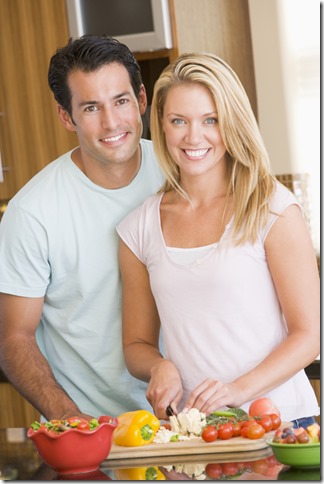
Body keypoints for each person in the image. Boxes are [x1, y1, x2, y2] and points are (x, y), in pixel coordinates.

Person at [117, 53, 320, 426]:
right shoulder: (138, 228)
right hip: (196, 428)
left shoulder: (272, 208)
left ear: (232, 123)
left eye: (210, 120)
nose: (194, 137)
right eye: (179, 120)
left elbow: (310, 335)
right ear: (161, 125)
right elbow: (136, 346)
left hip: (281, 424)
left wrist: (237, 391)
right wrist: (158, 366)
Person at [0, 35, 164, 421]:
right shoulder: (32, 212)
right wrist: (72, 423)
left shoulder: (183, 173)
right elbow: (14, 338)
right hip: (91, 427)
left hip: (187, 423)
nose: (111, 123)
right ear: (66, 116)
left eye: (121, 101)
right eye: (91, 107)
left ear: (141, 100)